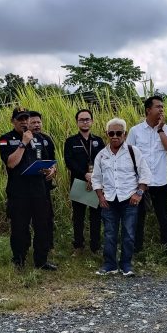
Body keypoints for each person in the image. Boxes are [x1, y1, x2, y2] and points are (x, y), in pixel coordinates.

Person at [0, 107, 56, 270]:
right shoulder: (6, 139)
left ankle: (41, 260)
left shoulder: (38, 138)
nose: (24, 122)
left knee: (42, 225)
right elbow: (11, 163)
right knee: (19, 227)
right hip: (19, 191)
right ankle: (19, 260)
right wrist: (23, 143)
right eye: (20, 119)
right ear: (13, 121)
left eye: (26, 119)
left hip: (39, 189)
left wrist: (51, 169)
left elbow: (48, 160)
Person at [92, 118, 151, 276]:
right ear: (107, 134)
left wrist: (139, 193)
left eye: (119, 133)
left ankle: (126, 265)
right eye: (111, 133)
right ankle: (110, 264)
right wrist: (100, 197)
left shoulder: (133, 152)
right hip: (109, 201)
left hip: (129, 200)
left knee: (129, 233)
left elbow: (145, 174)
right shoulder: (102, 155)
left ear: (124, 134)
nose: (115, 136)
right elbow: (96, 178)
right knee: (109, 234)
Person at [127, 95, 167, 252]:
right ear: (148, 110)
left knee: (163, 216)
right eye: (158, 107)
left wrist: (160, 130)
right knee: (138, 217)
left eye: (162, 107)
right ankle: (137, 249)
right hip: (140, 183)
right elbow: (128, 156)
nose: (161, 109)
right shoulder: (135, 131)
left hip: (160, 182)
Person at [64, 108, 104, 254]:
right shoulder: (71, 141)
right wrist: (84, 174)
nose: (85, 122)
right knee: (78, 217)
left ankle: (95, 247)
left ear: (92, 121)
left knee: (96, 216)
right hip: (79, 182)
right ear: (77, 122)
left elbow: (103, 160)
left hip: (96, 184)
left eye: (87, 119)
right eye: (82, 120)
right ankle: (78, 246)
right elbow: (69, 161)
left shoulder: (98, 141)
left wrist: (94, 176)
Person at [28, 110, 58, 252]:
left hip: (44, 185)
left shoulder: (46, 139)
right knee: (28, 218)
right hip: (28, 186)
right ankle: (27, 247)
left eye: (38, 122)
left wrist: (53, 169)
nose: (36, 125)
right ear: (27, 123)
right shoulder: (24, 139)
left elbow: (53, 160)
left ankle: (48, 245)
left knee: (47, 216)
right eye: (33, 122)